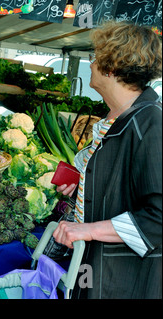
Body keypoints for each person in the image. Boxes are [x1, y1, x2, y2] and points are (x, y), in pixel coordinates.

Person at [52, 21, 162, 299]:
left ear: (111, 67)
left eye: (95, 57)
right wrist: (82, 188)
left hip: (122, 280)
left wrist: (87, 229)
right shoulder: (117, 119)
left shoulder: (151, 124)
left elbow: (159, 217)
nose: (90, 64)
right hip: (93, 270)